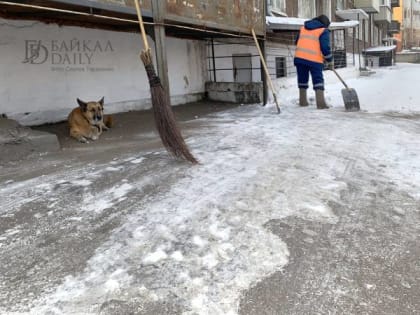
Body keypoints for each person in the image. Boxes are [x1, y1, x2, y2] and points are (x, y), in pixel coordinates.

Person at [294, 14, 333, 109]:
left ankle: (302, 102)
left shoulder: (303, 28)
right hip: (314, 60)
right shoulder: (323, 30)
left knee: (302, 79)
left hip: (299, 57)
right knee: (318, 80)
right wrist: (329, 59)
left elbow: (296, 42)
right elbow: (325, 47)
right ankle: (321, 104)